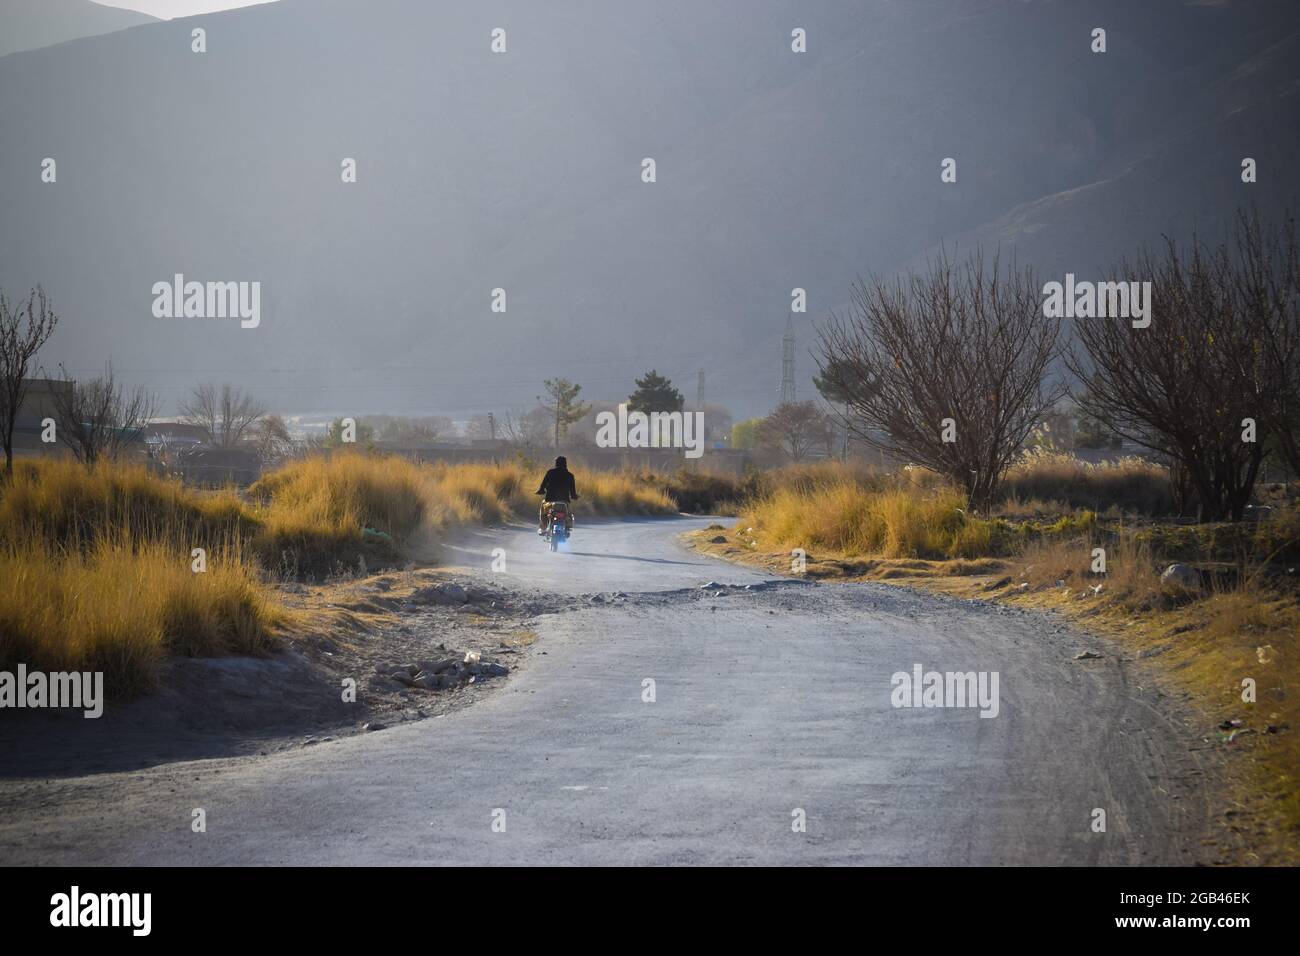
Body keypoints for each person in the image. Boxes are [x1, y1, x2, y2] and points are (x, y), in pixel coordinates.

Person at [537, 455, 578, 534]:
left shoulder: (550, 472)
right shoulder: (570, 475)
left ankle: (543, 528)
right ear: (565, 464)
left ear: (556, 463)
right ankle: (567, 528)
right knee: (568, 514)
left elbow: (543, 485)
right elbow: (573, 492)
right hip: (564, 501)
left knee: (543, 510)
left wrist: (541, 491)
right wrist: (574, 496)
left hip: (550, 500)